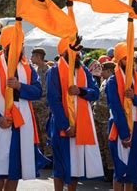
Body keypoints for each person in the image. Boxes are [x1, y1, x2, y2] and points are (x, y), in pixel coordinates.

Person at [0, 25, 48, 190]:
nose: (19, 50)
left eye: (21, 46)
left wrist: (19, 86)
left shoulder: (27, 68)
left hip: (20, 126)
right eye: (15, 46)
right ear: (6, 46)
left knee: (14, 170)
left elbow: (37, 92)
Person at [46, 38, 103, 191]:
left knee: (76, 166)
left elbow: (95, 93)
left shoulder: (83, 70)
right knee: (60, 166)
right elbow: (53, 101)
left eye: (78, 51)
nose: (77, 54)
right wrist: (66, 125)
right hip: (62, 126)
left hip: (82, 125)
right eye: (73, 50)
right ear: (64, 52)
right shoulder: (54, 71)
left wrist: (81, 91)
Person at [105, 43, 137, 190]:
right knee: (121, 170)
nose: (129, 62)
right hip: (120, 128)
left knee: (132, 171)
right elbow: (115, 109)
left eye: (131, 58)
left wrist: (134, 97)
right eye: (125, 58)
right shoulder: (113, 81)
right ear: (119, 60)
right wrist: (125, 134)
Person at [93, 61, 116, 181]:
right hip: (98, 118)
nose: (101, 72)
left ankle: (111, 171)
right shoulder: (104, 82)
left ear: (109, 71)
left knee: (108, 147)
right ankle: (104, 169)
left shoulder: (113, 82)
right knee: (101, 145)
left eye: (103, 70)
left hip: (106, 119)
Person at [30, 47, 52, 158]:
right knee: (37, 131)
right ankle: (41, 153)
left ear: (38, 57)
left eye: (33, 56)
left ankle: (48, 154)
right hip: (35, 105)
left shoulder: (48, 70)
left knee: (45, 131)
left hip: (43, 106)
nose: (31, 58)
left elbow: (47, 91)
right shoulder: (34, 70)